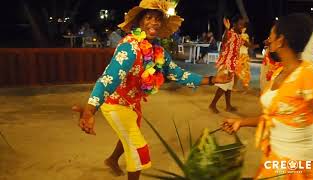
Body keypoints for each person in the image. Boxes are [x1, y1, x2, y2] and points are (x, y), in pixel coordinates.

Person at [72, 0, 231, 180]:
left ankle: (112, 160)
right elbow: (109, 79)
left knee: (129, 137)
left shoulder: (158, 52)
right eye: (148, 18)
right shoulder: (130, 47)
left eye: (158, 19)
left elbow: (177, 74)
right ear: (139, 22)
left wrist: (212, 79)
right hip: (115, 103)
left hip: (134, 104)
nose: (154, 22)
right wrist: (90, 111)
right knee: (138, 149)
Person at [222, 13, 313, 179]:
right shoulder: (279, 72)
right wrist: (241, 122)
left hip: (299, 166)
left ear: (281, 40)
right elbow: (274, 117)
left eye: (271, 35)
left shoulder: (309, 75)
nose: (268, 39)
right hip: (275, 158)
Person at [208, 15, 247, 113]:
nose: (242, 26)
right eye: (240, 24)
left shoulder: (238, 36)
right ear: (234, 24)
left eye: (243, 25)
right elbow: (224, 41)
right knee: (223, 85)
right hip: (226, 64)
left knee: (229, 86)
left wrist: (260, 44)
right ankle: (212, 105)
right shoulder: (230, 33)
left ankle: (228, 106)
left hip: (232, 64)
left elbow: (246, 44)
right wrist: (226, 29)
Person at [234, 27, 251, 92]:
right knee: (236, 72)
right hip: (237, 55)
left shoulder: (245, 36)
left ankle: (245, 88)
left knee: (245, 72)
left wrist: (242, 39)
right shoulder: (236, 35)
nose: (241, 28)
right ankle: (234, 87)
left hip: (243, 55)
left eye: (242, 27)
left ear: (245, 29)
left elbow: (247, 45)